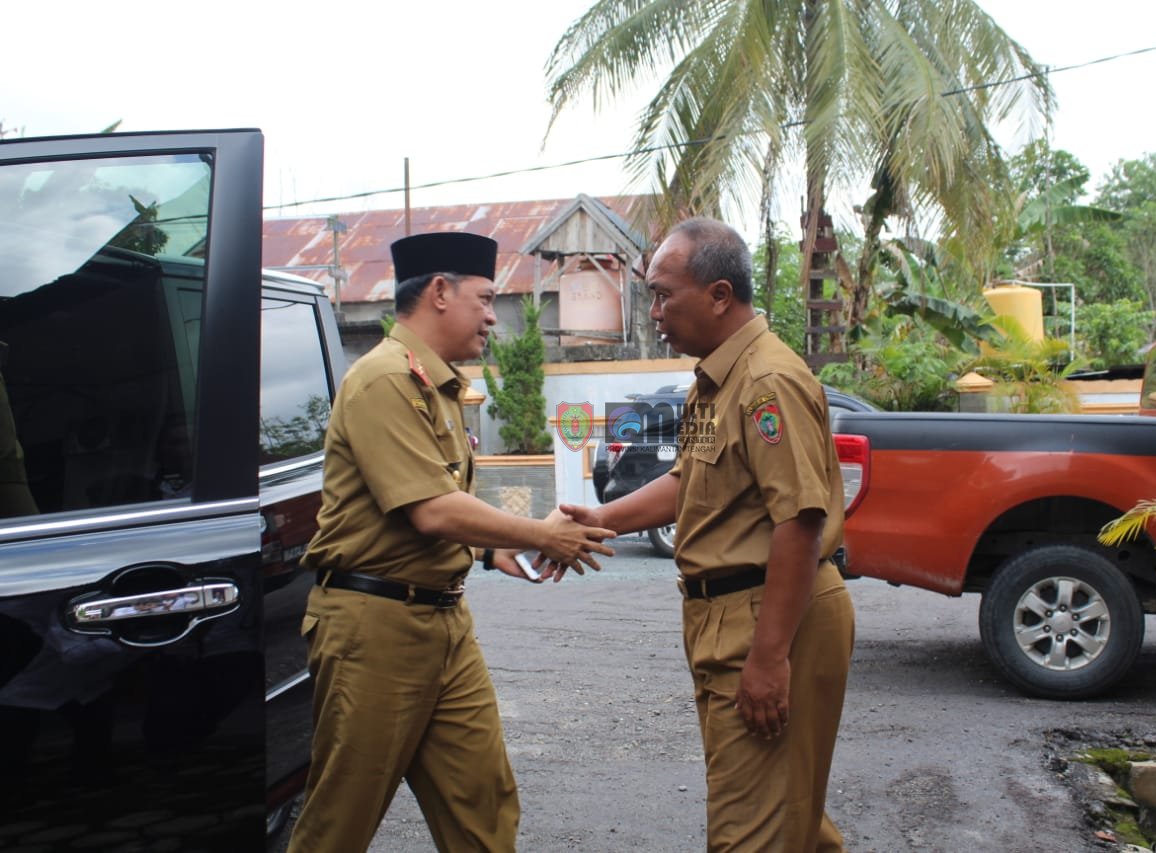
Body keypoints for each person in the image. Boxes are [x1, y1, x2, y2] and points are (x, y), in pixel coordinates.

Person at [287, 231, 615, 853]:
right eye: (485, 299)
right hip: (374, 628)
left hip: (442, 620)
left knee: (483, 806)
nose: (494, 316)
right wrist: (544, 532)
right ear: (439, 292)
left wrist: (491, 550)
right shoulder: (383, 379)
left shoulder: (434, 386)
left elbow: (430, 504)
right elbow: (432, 510)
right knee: (341, 821)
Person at [561, 217, 855, 852]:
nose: (655, 312)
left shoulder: (765, 383)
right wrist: (600, 520)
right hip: (729, 614)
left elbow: (799, 524)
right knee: (787, 815)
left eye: (664, 295)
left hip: (771, 615)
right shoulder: (712, 383)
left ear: (720, 295)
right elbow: (686, 482)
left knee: (750, 832)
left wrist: (770, 657)